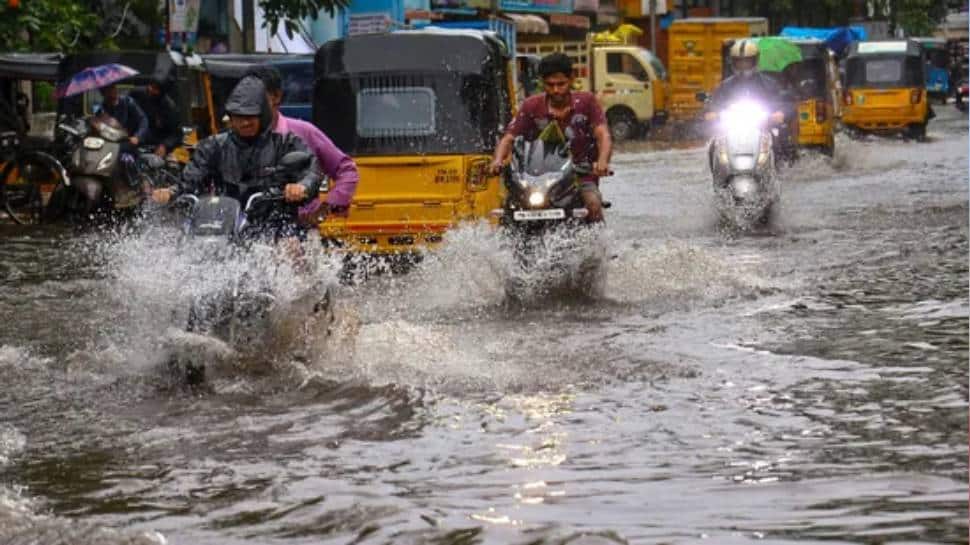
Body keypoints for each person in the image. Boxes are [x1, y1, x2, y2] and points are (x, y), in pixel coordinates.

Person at [151, 76, 322, 240]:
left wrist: (301, 187)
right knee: (180, 243)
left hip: (273, 225)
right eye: (238, 117)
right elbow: (191, 178)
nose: (244, 123)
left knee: (290, 248)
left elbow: (311, 170)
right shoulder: (214, 145)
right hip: (220, 222)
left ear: (262, 115)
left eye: (250, 117)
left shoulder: (285, 143)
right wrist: (171, 192)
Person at [490, 53, 612, 222]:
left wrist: (602, 162)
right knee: (508, 208)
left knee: (593, 204)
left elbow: (603, 134)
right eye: (550, 84)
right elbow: (508, 138)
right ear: (542, 82)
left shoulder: (587, 102)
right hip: (537, 179)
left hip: (579, 175)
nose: (556, 90)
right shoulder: (531, 106)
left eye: (561, 84)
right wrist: (497, 161)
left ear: (571, 79)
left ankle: (598, 245)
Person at [244, 65, 359, 224]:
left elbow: (347, 170)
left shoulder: (305, 133)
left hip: (295, 232)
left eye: (257, 98)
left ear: (276, 97)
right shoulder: (230, 139)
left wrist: (326, 207)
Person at [706, 39, 796, 161]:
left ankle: (783, 170)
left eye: (747, 62)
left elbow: (785, 102)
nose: (743, 66)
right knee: (714, 146)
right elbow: (714, 104)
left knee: (782, 140)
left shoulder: (769, 84)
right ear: (733, 62)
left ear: (755, 61)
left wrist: (781, 113)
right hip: (732, 129)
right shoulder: (725, 86)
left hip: (764, 127)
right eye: (739, 62)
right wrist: (711, 113)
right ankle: (719, 176)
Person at [129, 76, 180, 157]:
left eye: (155, 89)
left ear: (162, 92)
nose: (150, 89)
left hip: (156, 145)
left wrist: (165, 145)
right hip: (135, 140)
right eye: (150, 86)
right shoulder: (137, 94)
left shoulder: (169, 107)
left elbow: (176, 134)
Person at [98, 83, 149, 148]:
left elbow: (143, 119)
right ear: (103, 94)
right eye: (107, 91)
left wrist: (137, 136)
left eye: (113, 88)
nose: (112, 92)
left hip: (131, 141)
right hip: (113, 143)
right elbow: (101, 128)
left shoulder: (128, 101)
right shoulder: (102, 109)